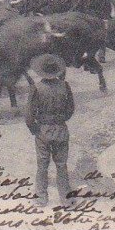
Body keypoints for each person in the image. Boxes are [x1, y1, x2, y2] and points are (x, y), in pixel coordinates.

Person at [26, 54, 75, 207]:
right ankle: (66, 199)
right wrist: (60, 120)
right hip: (61, 129)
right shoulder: (65, 86)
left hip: (43, 130)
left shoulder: (36, 88)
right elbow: (70, 109)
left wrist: (35, 129)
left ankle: (41, 198)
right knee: (62, 165)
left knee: (42, 166)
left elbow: (29, 115)